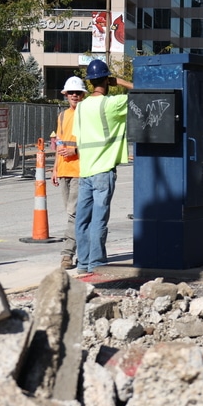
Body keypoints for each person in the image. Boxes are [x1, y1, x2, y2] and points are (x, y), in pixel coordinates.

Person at [71, 58, 133, 273]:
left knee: (82, 220)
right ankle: (96, 263)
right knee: (99, 219)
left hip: (85, 170)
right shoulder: (112, 103)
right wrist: (122, 82)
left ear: (89, 82)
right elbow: (145, 92)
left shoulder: (80, 107)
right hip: (103, 170)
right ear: (107, 80)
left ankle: (83, 263)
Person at [51, 75, 87, 270]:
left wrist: (76, 150)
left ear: (83, 95)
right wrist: (55, 168)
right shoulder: (63, 115)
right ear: (66, 95)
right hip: (64, 169)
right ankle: (85, 251)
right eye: (71, 92)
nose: (74, 95)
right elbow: (59, 142)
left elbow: (93, 141)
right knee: (73, 213)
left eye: (78, 92)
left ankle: (67, 254)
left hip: (80, 170)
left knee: (73, 214)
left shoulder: (87, 113)